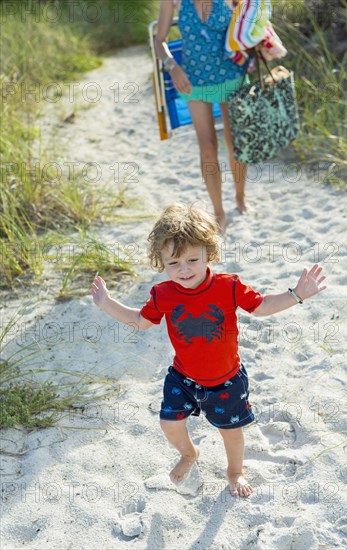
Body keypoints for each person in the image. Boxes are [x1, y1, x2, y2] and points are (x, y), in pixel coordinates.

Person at [91, 204, 327, 498]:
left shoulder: (229, 286)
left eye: (192, 259)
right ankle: (190, 454)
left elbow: (263, 306)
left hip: (225, 380)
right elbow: (141, 321)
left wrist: (297, 295)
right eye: (174, 263)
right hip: (183, 377)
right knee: (169, 423)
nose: (184, 269)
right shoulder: (163, 294)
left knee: (230, 432)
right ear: (160, 261)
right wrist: (106, 303)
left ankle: (235, 471)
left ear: (209, 254)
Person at [154, 0, 251, 232]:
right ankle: (218, 210)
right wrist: (172, 66)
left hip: (232, 75)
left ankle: (240, 197)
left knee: (235, 143)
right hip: (194, 81)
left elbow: (251, 24)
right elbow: (159, 40)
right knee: (207, 148)